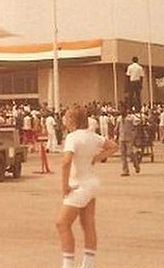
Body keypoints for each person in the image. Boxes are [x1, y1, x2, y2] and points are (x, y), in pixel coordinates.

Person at [55, 105, 118, 268]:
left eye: (67, 117)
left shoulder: (72, 138)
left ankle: (68, 265)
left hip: (78, 186)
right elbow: (113, 146)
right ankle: (88, 265)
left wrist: (64, 186)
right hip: (91, 183)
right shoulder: (93, 136)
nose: (64, 120)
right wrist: (97, 158)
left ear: (73, 120)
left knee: (62, 224)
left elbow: (66, 162)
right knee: (88, 224)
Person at [115, 104, 140, 176]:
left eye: (122, 109)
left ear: (126, 110)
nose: (121, 111)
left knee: (130, 153)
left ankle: (136, 164)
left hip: (129, 138)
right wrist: (116, 135)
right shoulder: (119, 118)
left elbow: (137, 124)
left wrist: (134, 134)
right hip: (121, 138)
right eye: (120, 109)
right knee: (123, 155)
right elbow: (117, 128)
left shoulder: (131, 117)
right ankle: (125, 171)